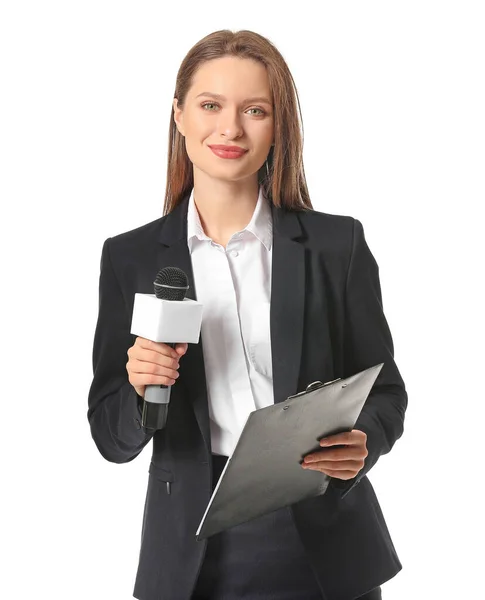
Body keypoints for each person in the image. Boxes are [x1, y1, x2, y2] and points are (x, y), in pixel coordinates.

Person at [87, 29, 407, 600]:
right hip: (193, 549)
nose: (230, 128)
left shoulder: (338, 246)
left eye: (254, 110)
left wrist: (364, 441)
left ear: (278, 124)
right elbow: (110, 437)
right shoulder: (130, 257)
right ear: (180, 115)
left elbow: (386, 392)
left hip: (323, 536)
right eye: (211, 106)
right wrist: (141, 390)